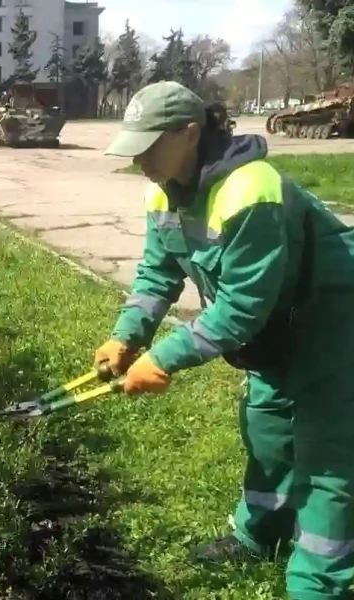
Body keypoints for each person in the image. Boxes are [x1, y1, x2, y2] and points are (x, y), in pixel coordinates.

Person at [99, 80, 354, 600]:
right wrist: (127, 337)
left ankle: (319, 583)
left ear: (190, 133)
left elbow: (241, 307)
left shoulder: (250, 191)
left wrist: (163, 358)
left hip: (334, 324)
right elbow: (157, 272)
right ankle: (260, 536)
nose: (138, 159)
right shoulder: (163, 187)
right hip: (277, 330)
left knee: (326, 456)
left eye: (148, 146)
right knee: (267, 431)